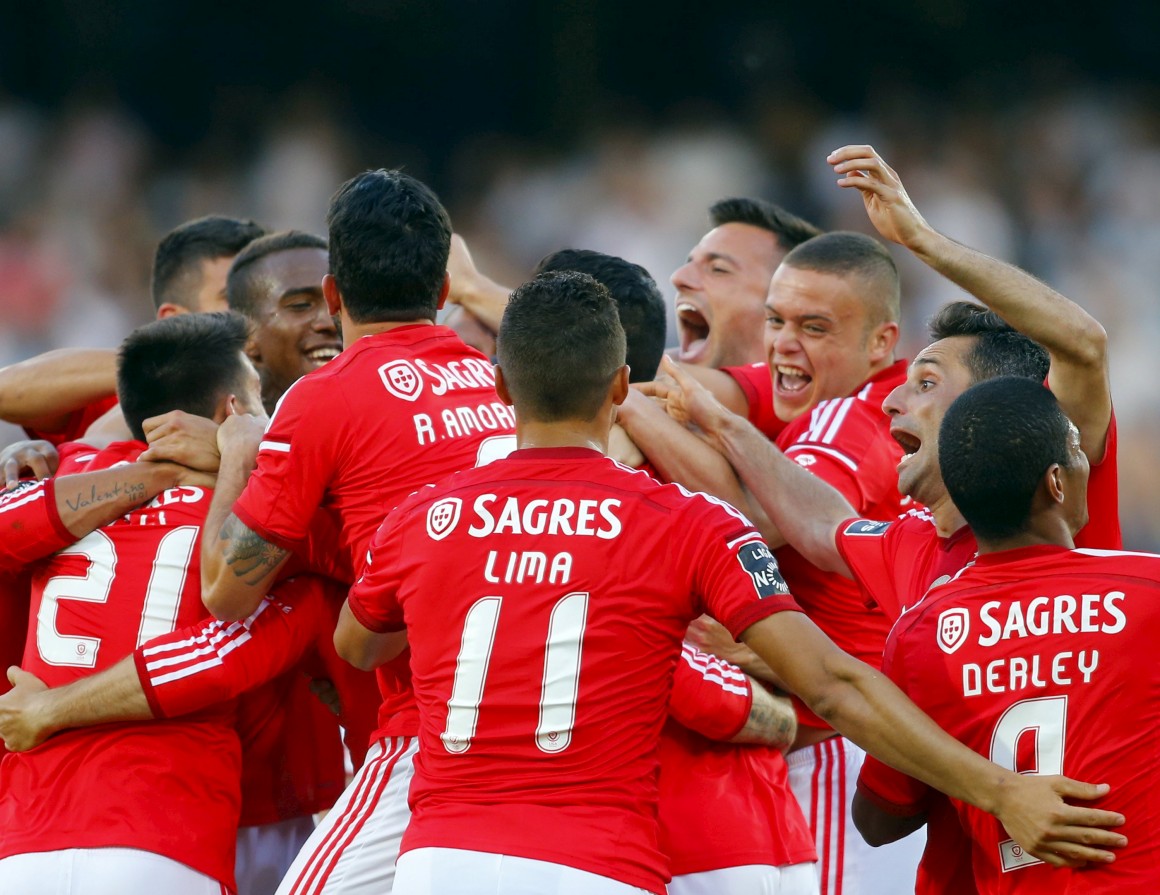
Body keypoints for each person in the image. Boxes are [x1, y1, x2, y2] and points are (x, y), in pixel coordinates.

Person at [333, 270, 1123, 895]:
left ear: (501, 388)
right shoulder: (684, 523)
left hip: (437, 859)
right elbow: (835, 684)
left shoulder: (426, 517)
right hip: (595, 862)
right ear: (618, 388)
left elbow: (359, 644)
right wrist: (997, 790)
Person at [185, 169, 514, 895]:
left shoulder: (324, 398)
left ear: (335, 298)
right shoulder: (504, 383)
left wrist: (242, 448)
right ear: (441, 294)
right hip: (549, 723)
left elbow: (225, 591)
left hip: (432, 727)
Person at [624, 227, 915, 894]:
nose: (784, 342)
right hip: (822, 740)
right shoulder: (818, 387)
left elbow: (767, 522)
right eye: (777, 321)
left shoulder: (846, 423)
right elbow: (683, 380)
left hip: (841, 759)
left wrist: (627, 409)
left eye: (813, 326)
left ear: (880, 341)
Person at [0, 311, 266, 895]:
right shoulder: (262, 507)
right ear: (233, 412)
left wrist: (146, 474)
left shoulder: (64, 471)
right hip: (165, 827)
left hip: (26, 835)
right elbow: (225, 643)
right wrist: (219, 464)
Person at [877, 375, 1153, 891]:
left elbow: (879, 817)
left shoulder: (919, 634)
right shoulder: (1147, 594)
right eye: (1075, 449)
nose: (1085, 462)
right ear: (1055, 482)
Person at [0, 215, 267, 446]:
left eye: (266, 296)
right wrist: (163, 363)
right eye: (234, 296)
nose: (258, 314)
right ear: (174, 320)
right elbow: (7, 391)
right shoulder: (143, 397)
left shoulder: (301, 388)